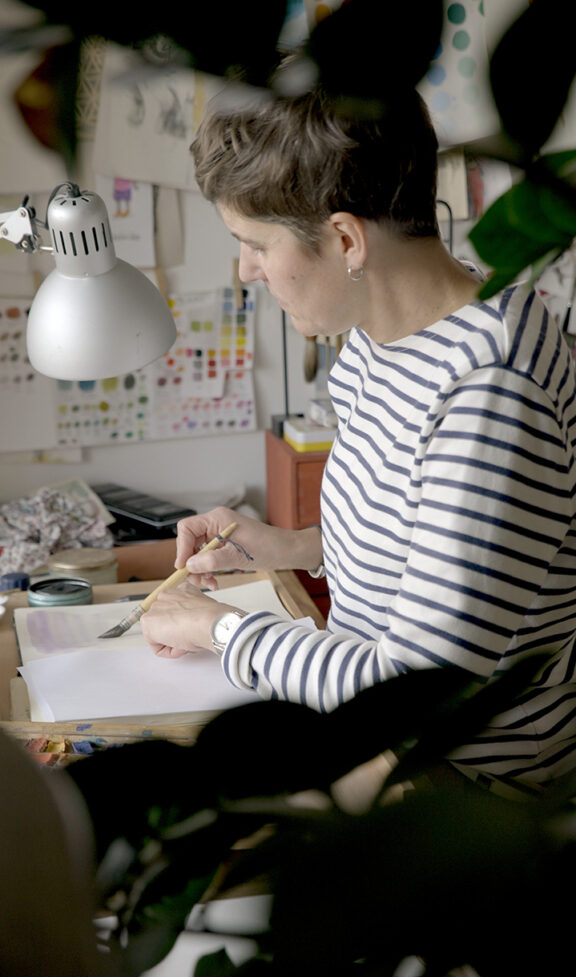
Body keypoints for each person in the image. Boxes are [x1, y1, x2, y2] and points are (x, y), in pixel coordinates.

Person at [140, 79, 576, 798]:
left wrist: (219, 633)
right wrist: (291, 545)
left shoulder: (489, 391)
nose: (248, 270)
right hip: (380, 754)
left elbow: (412, 697)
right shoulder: (381, 337)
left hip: (470, 793)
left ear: (345, 240)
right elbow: (429, 536)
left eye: (255, 244)